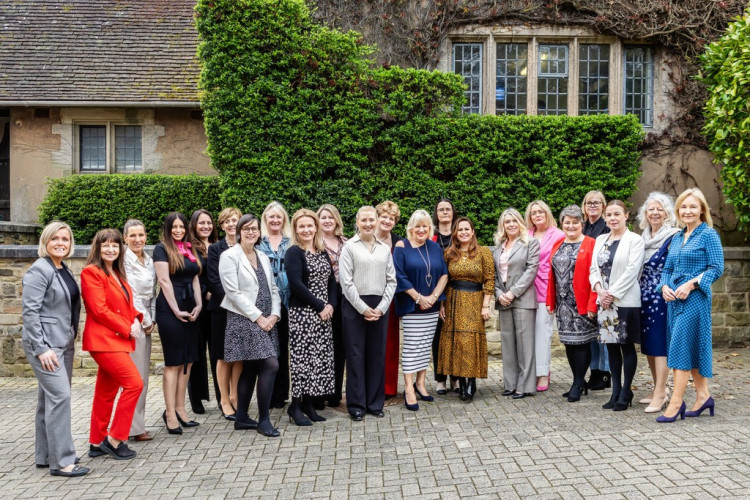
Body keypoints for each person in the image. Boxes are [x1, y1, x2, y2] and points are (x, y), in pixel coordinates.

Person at [22, 221, 89, 477]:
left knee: (47, 400)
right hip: (46, 347)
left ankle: (46, 454)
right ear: (45, 242)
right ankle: (62, 461)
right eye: (55, 239)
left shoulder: (63, 269)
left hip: (63, 342)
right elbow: (30, 313)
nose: (61, 243)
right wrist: (41, 348)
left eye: (65, 239)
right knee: (61, 397)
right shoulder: (39, 270)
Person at [657, 188, 724, 423]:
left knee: (680, 349)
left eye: (693, 207)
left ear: (702, 210)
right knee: (690, 347)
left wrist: (692, 284)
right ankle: (703, 396)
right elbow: (667, 269)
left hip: (695, 301)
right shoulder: (676, 237)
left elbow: (716, 268)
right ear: (678, 211)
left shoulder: (709, 235)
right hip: (674, 302)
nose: (688, 211)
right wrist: (664, 287)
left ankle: (676, 403)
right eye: (684, 207)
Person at [81, 229, 144, 461]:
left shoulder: (117, 273)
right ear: (97, 248)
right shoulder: (91, 272)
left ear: (120, 249)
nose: (110, 249)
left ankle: (97, 442)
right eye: (105, 245)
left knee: (105, 393)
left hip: (115, 340)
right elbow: (99, 310)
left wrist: (136, 317)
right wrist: (127, 327)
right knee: (134, 384)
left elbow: (126, 304)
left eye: (115, 246)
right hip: (104, 341)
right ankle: (115, 439)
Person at [219, 213, 282, 437]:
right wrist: (258, 317)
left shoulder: (262, 255)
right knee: (271, 364)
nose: (251, 232)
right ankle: (264, 420)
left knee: (253, 367)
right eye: (246, 228)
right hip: (244, 319)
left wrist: (274, 314)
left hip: (267, 319)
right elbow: (233, 293)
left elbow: (273, 288)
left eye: (254, 228)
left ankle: (242, 417)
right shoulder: (229, 256)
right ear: (238, 231)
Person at [339, 206, 397, 421]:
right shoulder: (349, 247)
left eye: (371, 220)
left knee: (376, 355)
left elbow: (392, 280)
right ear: (357, 221)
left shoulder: (384, 248)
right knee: (355, 356)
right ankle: (356, 405)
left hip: (380, 306)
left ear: (376, 221)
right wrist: (363, 308)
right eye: (363, 220)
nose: (368, 224)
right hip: (355, 307)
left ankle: (375, 403)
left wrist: (381, 308)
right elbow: (346, 283)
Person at [590, 200, 645, 411]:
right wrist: (599, 290)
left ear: (626, 215)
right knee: (611, 347)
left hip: (625, 300)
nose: (613, 218)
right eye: (609, 215)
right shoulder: (601, 239)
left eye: (617, 214)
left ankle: (626, 391)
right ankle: (615, 391)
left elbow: (632, 271)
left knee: (626, 345)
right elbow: (593, 268)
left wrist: (612, 294)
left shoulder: (634, 240)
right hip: (604, 302)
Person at [393, 210, 449, 411]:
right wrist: (418, 297)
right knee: (412, 346)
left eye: (425, 226)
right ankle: (408, 388)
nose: (421, 229)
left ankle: (421, 383)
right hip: (412, 306)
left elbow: (444, 274)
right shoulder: (402, 246)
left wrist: (433, 297)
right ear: (410, 228)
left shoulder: (434, 247)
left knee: (425, 346)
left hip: (432, 306)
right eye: (417, 226)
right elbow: (399, 276)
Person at [285, 209, 337, 425]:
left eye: (310, 225)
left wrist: (331, 305)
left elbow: (332, 281)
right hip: (303, 315)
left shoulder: (321, 250)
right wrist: (320, 306)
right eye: (301, 226)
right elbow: (296, 285)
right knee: (301, 362)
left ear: (316, 227)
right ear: (296, 229)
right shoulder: (294, 253)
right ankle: (295, 406)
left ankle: (308, 404)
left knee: (317, 360)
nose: (306, 230)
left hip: (323, 316)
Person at [154, 212, 203, 435]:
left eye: (181, 227)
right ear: (168, 228)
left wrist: (199, 305)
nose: (178, 230)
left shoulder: (188, 248)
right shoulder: (161, 248)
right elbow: (164, 281)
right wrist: (176, 310)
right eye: (174, 227)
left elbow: (194, 278)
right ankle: (170, 413)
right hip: (170, 309)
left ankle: (182, 409)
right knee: (174, 362)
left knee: (189, 361)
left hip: (191, 308)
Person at [438, 217, 495, 402]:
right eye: (459, 229)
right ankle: (461, 381)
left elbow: (489, 279)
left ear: (472, 231)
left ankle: (471, 381)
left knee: (469, 341)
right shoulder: (449, 253)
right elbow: (444, 280)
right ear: (455, 233)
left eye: (466, 229)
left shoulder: (483, 252)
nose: (463, 232)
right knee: (457, 342)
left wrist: (486, 305)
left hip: (474, 300)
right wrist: (441, 304)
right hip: (453, 300)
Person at [546, 206, 598, 403]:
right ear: (562, 224)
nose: (571, 225)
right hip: (562, 303)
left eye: (575, 222)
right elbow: (551, 275)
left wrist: (593, 304)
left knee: (582, 342)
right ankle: (578, 381)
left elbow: (596, 276)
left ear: (581, 224)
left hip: (581, 302)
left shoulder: (591, 243)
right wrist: (550, 301)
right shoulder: (558, 244)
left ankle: (578, 383)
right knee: (569, 342)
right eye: (567, 222)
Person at [636, 193, 679, 413]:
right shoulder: (642, 238)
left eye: (659, 209)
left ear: (667, 213)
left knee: (660, 345)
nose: (654, 213)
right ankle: (656, 388)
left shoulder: (674, 236)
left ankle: (662, 393)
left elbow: (675, 268)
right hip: (643, 296)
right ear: (645, 214)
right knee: (650, 346)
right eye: (651, 209)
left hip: (661, 297)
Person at [493, 209, 540, 399]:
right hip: (503, 300)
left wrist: (512, 292)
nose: (511, 224)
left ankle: (525, 385)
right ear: (502, 226)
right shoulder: (498, 247)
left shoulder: (530, 243)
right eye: (507, 222)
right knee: (508, 344)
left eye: (514, 220)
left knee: (525, 345)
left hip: (523, 299)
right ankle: (511, 384)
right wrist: (499, 294)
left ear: (520, 222)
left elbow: (531, 270)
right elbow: (494, 276)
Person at [207, 207, 243, 420]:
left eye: (235, 220)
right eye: (227, 221)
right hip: (221, 310)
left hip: (243, 310)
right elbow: (213, 281)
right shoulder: (215, 250)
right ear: (221, 225)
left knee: (238, 355)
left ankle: (235, 396)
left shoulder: (246, 247)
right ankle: (224, 399)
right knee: (222, 356)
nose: (231, 224)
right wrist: (233, 302)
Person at [525, 200, 565, 392]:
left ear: (547, 213)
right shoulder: (526, 234)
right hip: (525, 291)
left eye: (541, 211)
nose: (537, 215)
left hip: (546, 290)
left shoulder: (559, 235)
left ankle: (542, 373)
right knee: (528, 334)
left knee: (543, 332)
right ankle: (529, 371)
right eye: (533, 213)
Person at [123, 219, 156, 442]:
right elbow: (132, 292)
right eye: (132, 236)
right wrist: (144, 320)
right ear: (125, 238)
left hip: (148, 319)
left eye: (141, 235)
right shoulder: (123, 261)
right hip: (134, 322)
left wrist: (152, 318)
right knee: (134, 376)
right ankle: (131, 427)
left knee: (143, 375)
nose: (137, 240)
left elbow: (153, 292)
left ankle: (137, 425)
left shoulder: (149, 260)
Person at [259, 201, 292, 409]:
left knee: (284, 347)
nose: (275, 220)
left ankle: (281, 394)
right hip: (266, 303)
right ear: (265, 219)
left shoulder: (291, 242)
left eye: (278, 217)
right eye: (271, 217)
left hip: (288, 301)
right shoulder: (258, 242)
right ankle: (268, 395)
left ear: (284, 220)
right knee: (269, 350)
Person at [317, 204, 348, 408]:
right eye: (323, 217)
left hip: (345, 296)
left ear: (337, 220)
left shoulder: (346, 242)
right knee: (322, 347)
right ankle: (320, 393)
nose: (327, 220)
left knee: (341, 347)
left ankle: (335, 393)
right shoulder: (314, 242)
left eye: (331, 217)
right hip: (322, 298)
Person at [188, 209, 219, 415]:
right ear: (194, 226)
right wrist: (206, 292)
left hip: (217, 307)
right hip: (199, 306)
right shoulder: (190, 249)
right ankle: (196, 399)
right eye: (201, 223)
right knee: (197, 353)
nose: (206, 226)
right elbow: (190, 276)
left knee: (218, 354)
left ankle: (222, 396)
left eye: (209, 222)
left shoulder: (218, 246)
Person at [582, 190, 611, 391]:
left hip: (602, 285)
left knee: (604, 331)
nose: (592, 206)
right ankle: (594, 369)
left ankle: (605, 372)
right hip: (584, 285)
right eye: (589, 203)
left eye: (597, 203)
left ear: (603, 206)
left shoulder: (607, 228)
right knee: (590, 332)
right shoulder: (581, 227)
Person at [375, 200, 404, 398]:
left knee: (390, 343)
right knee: (372, 342)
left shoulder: (399, 242)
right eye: (384, 216)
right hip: (369, 296)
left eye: (391, 218)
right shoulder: (365, 238)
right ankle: (372, 385)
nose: (387, 221)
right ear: (377, 218)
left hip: (392, 299)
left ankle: (388, 387)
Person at [431, 198, 459, 394]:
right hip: (436, 293)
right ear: (437, 213)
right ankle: (440, 379)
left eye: (448, 209)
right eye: (441, 209)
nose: (445, 212)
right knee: (438, 337)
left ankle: (456, 378)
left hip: (458, 291)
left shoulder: (461, 234)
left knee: (457, 336)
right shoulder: (431, 237)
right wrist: (438, 298)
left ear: (453, 212)